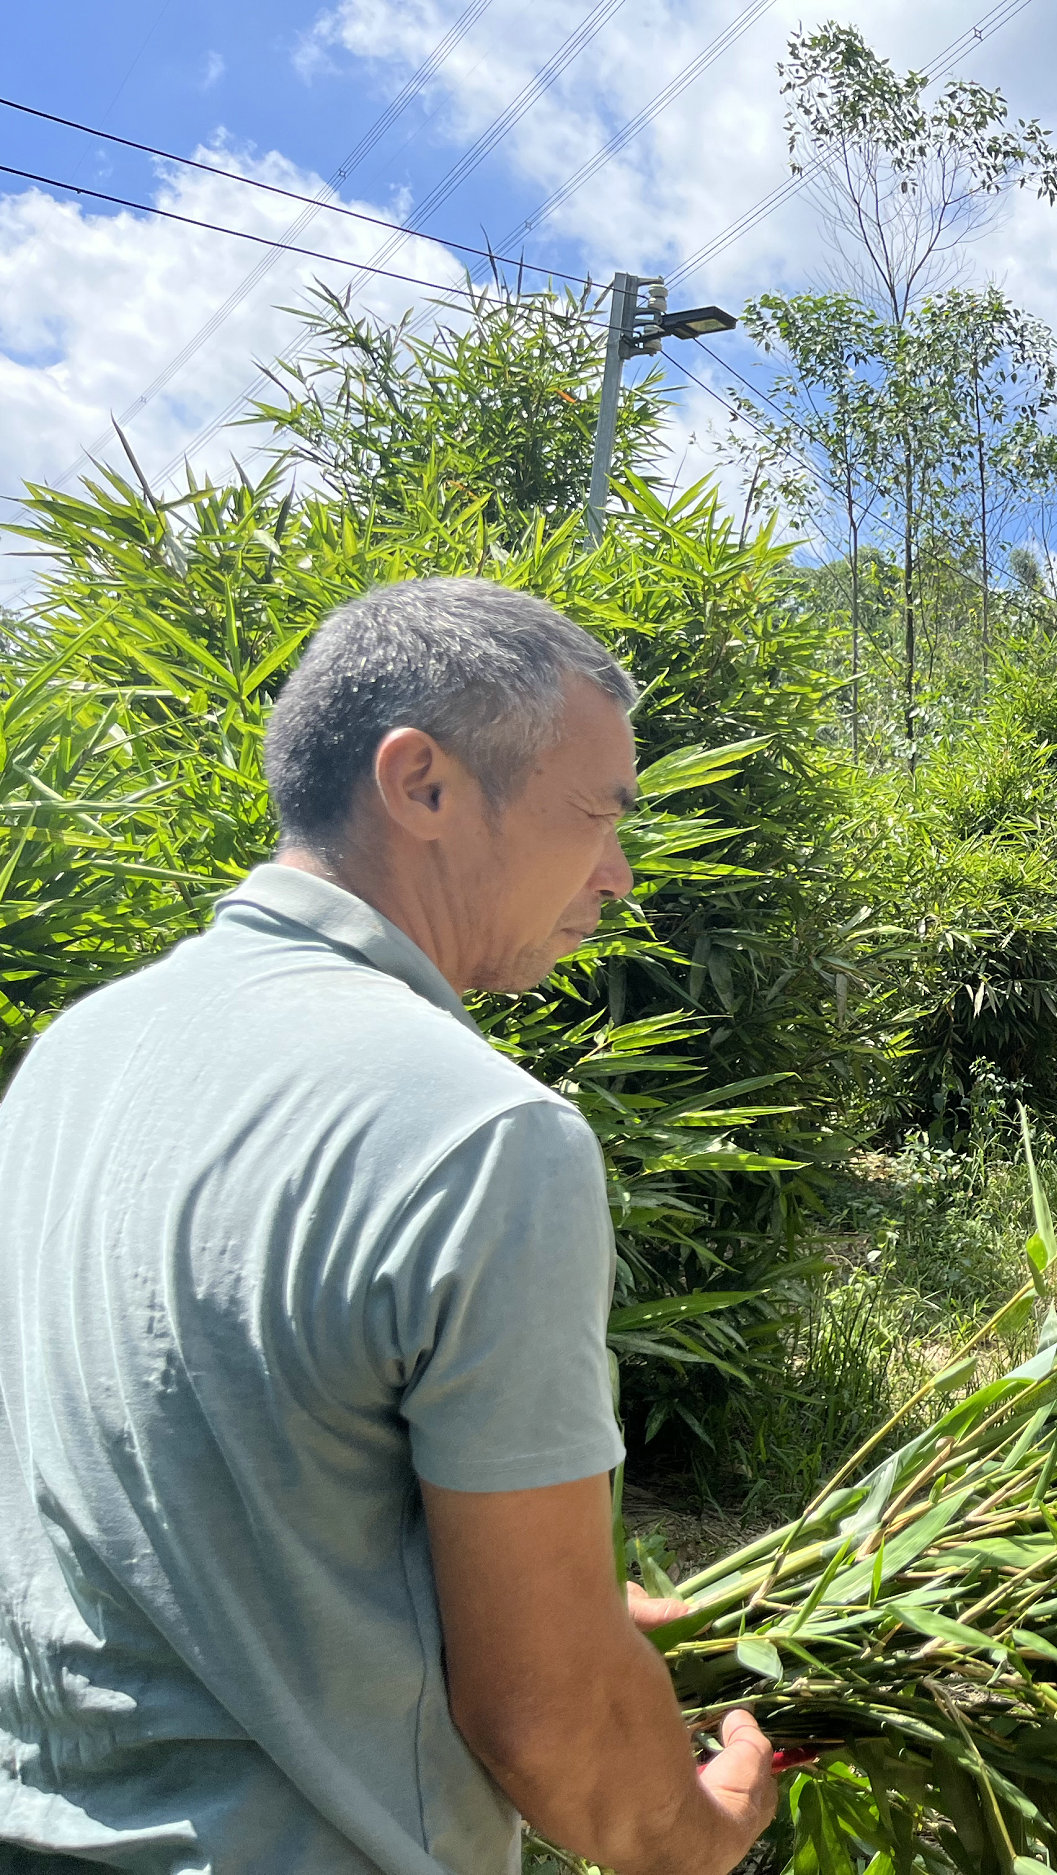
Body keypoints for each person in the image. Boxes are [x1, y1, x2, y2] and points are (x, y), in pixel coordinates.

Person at [0, 579, 780, 1875]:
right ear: (421, 782)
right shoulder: (485, 1136)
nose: (620, 874)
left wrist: (543, 1606)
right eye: (598, 814)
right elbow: (549, 1723)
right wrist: (694, 1828)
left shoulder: (70, 1063)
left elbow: (178, 1486)